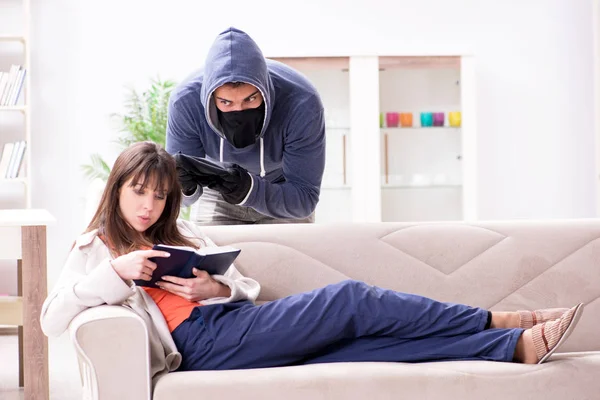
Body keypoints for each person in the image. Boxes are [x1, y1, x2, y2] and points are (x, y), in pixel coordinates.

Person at [41, 142, 584, 385]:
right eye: (138, 192)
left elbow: (243, 284)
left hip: (225, 322)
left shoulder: (180, 234)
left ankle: (514, 347)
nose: (148, 206)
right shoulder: (91, 250)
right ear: (117, 190)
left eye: (159, 197)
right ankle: (494, 319)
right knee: (350, 299)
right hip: (201, 347)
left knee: (367, 347)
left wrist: (215, 289)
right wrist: (113, 273)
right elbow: (51, 319)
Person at [165, 27, 326, 225]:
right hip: (217, 190)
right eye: (226, 102)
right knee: (209, 252)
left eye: (250, 99)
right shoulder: (185, 103)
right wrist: (184, 188)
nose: (239, 110)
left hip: (283, 191)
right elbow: (176, 199)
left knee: (291, 256)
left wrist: (249, 189)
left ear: (264, 90)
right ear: (210, 96)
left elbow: (304, 198)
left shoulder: (302, 102)